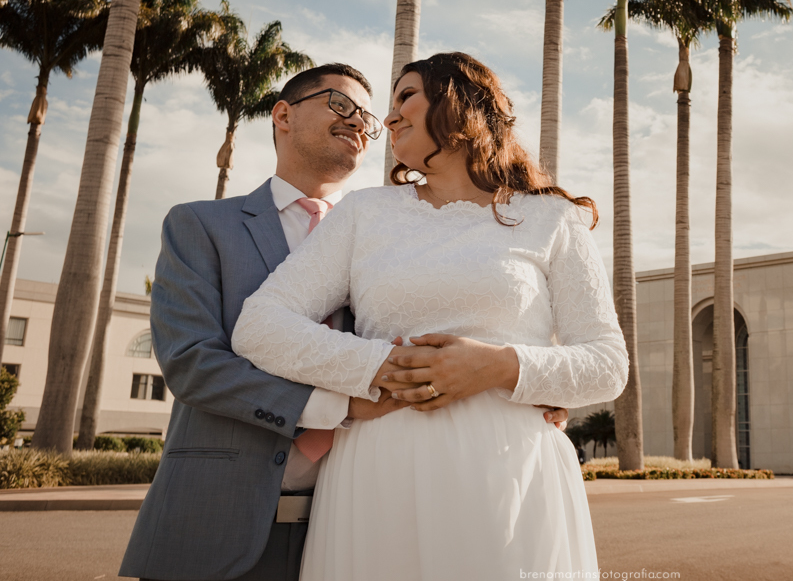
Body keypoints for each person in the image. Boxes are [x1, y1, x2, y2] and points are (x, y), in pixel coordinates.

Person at [119, 63, 569, 581]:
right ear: (283, 114)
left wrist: (528, 379)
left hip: (360, 512)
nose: (361, 121)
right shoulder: (200, 225)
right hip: (218, 519)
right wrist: (341, 405)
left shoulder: (393, 236)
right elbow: (192, 362)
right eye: (341, 104)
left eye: (368, 116)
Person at [231, 52, 628, 581]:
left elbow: (607, 364)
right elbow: (259, 325)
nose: (389, 118)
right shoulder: (365, 212)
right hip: (377, 476)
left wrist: (500, 367)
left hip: (511, 477)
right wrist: (383, 364)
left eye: (405, 97)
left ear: (461, 102)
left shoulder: (551, 218)